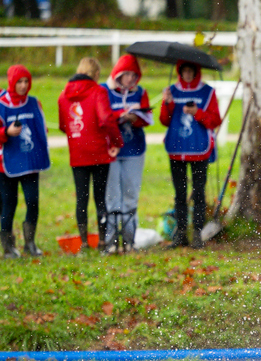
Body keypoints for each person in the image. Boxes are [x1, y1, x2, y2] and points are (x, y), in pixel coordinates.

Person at [58, 58, 122, 253]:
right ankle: (102, 241)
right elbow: (105, 119)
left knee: (81, 198)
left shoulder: (63, 95)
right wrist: (117, 142)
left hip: (78, 153)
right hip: (99, 151)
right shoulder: (98, 91)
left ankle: (84, 242)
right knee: (100, 197)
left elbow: (63, 125)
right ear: (95, 75)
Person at [160, 60, 220, 249]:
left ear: (196, 72)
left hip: (199, 148)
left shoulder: (207, 92)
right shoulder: (172, 91)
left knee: (199, 193)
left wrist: (197, 113)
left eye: (190, 71)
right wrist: (167, 103)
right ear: (179, 71)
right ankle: (180, 234)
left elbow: (214, 120)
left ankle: (197, 234)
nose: (187, 74)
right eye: (184, 71)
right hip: (177, 148)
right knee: (179, 193)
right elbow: (164, 120)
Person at [102, 54, 153, 253]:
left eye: (134, 75)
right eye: (127, 75)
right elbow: (102, 116)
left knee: (131, 194)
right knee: (113, 195)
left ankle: (130, 240)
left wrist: (135, 117)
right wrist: (118, 116)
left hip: (134, 148)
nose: (131, 79)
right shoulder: (105, 90)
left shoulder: (140, 92)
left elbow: (147, 117)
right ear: (118, 74)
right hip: (111, 150)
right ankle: (112, 240)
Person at [0, 65, 50, 259]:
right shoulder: (2, 104)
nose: (23, 85)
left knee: (33, 201)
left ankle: (30, 242)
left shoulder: (34, 103)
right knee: (8, 204)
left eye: (26, 81)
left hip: (29, 163)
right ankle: (8, 247)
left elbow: (41, 131)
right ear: (12, 82)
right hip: (6, 164)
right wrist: (6, 132)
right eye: (19, 82)